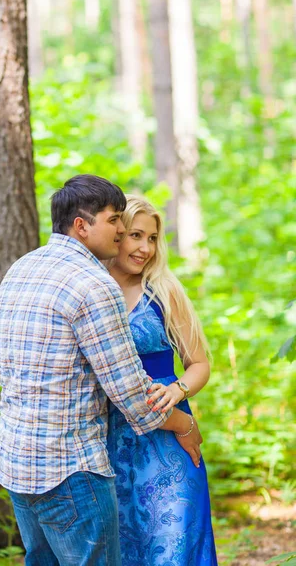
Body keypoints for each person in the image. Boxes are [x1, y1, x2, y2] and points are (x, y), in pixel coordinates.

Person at [0, 175, 202, 566]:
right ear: (82, 225)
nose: (121, 231)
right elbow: (134, 398)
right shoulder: (93, 285)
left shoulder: (22, 269)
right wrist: (185, 426)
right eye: (114, 220)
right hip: (71, 468)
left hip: (15, 461)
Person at [107, 195, 218, 565]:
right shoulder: (91, 288)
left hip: (169, 440)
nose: (145, 248)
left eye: (152, 238)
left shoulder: (164, 290)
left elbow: (199, 363)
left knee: (174, 546)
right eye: (136, 235)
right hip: (107, 440)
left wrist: (178, 388)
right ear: (116, 234)